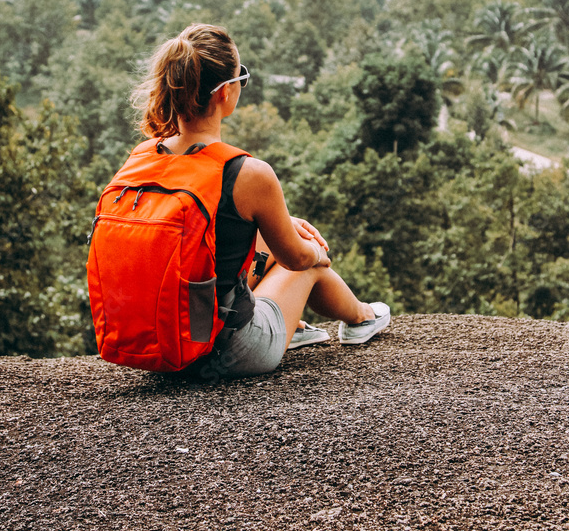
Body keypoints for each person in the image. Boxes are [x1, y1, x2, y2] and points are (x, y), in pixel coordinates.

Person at [130, 23, 390, 380]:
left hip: (164, 339)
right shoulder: (247, 172)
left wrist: (279, 223)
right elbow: (295, 259)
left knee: (271, 234)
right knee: (306, 258)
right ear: (225, 92)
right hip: (227, 352)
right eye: (241, 78)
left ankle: (293, 325)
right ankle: (361, 318)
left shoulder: (145, 155)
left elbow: (202, 236)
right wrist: (315, 253)